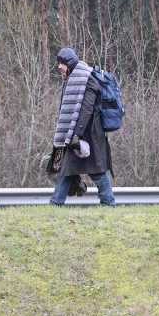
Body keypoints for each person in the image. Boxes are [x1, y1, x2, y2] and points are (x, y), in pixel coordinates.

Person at [48, 48, 116, 206]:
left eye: (62, 63)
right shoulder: (72, 79)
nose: (59, 66)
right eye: (59, 63)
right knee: (67, 168)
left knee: (97, 170)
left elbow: (86, 110)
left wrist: (75, 135)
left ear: (70, 63)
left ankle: (109, 203)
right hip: (79, 133)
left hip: (89, 134)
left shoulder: (86, 79)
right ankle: (56, 203)